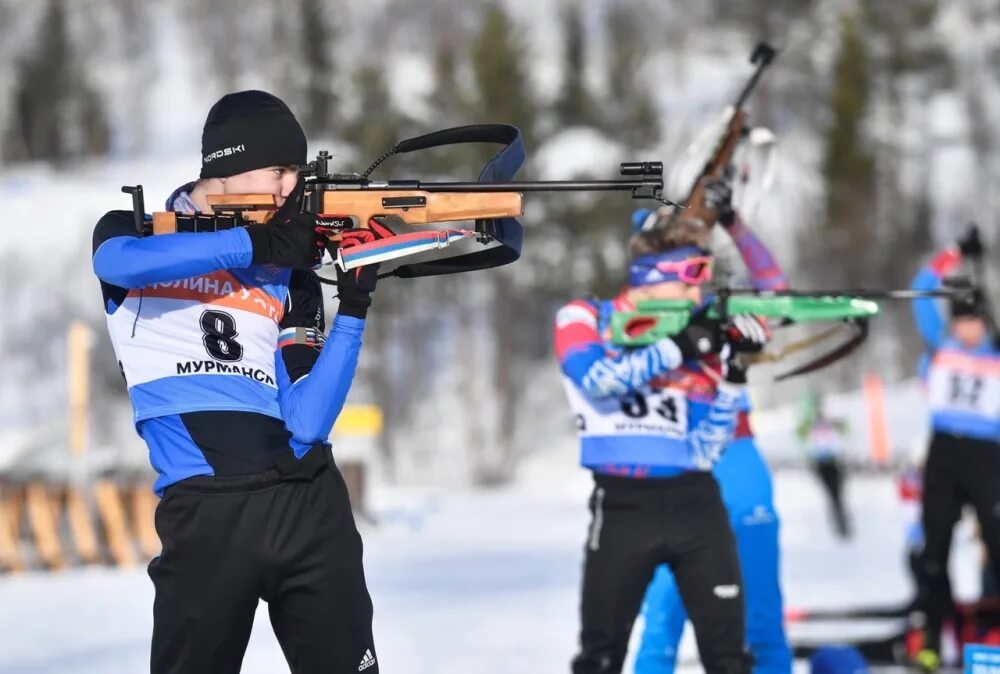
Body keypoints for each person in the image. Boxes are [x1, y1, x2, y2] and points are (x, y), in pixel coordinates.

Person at [92, 90, 381, 674]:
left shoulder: (289, 271)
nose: (287, 190)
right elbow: (115, 262)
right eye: (279, 171)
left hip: (307, 505)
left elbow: (307, 422)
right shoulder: (138, 229)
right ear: (228, 162)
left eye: (296, 175)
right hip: (206, 515)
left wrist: (353, 305)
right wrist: (253, 244)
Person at [555, 216, 768, 674]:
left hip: (696, 504)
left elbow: (708, 450)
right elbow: (597, 380)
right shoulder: (585, 318)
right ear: (653, 280)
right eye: (691, 282)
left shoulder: (697, 338)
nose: (698, 297)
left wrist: (732, 375)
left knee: (730, 660)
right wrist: (678, 347)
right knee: (600, 658)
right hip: (622, 507)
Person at [632, 181, 792, 674]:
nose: (693, 284)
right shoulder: (633, 319)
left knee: (761, 618)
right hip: (670, 474)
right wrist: (660, 223)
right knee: (662, 619)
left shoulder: (721, 314)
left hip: (738, 459)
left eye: (699, 270)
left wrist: (733, 224)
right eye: (681, 269)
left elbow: (778, 295)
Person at [908, 226, 1000, 671]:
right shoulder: (939, 346)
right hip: (944, 453)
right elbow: (923, 286)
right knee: (934, 552)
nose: (966, 328)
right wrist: (956, 252)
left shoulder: (997, 352)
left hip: (987, 457)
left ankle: (992, 632)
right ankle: (931, 635)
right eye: (960, 319)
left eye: (973, 320)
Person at [797, 391, 852, 540]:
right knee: (832, 496)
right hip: (821, 464)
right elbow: (800, 435)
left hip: (834, 462)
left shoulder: (830, 422)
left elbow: (846, 429)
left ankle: (844, 525)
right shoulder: (810, 424)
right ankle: (839, 526)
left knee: (838, 495)